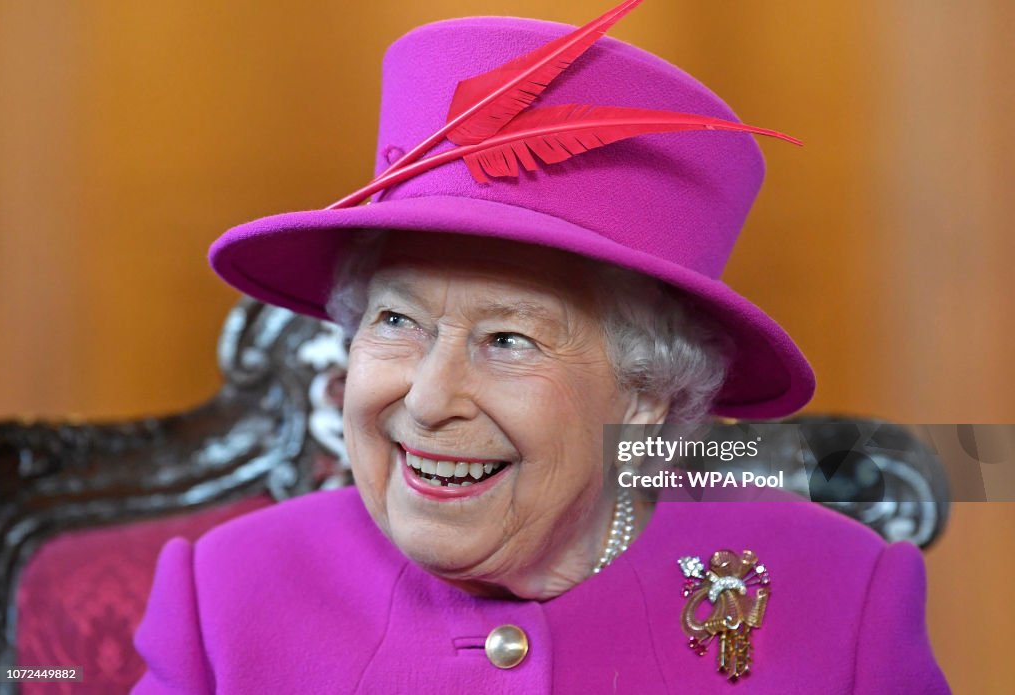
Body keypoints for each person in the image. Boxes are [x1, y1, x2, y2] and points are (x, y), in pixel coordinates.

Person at [132, 3, 949, 692]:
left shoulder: (841, 600)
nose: (426, 398)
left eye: (508, 338)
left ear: (647, 390)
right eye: (395, 321)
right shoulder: (225, 599)